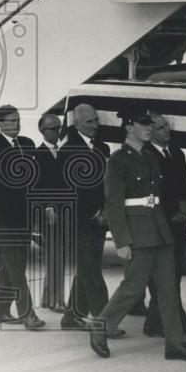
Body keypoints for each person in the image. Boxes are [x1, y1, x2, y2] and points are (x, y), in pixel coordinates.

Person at [88, 107, 186, 361]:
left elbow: (157, 196)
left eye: (151, 124)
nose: (149, 128)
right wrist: (122, 241)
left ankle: (175, 344)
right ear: (129, 127)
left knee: (169, 289)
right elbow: (114, 204)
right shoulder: (118, 160)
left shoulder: (150, 157)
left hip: (160, 231)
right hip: (137, 232)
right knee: (132, 287)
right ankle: (100, 328)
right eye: (144, 124)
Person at [0, 104, 45, 329]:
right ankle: (27, 314)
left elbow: (34, 180)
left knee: (11, 264)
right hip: (1, 216)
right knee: (16, 267)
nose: (17, 124)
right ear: (0, 123)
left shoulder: (27, 144)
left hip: (23, 215)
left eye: (18, 120)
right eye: (11, 121)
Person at [143, 113, 186, 346]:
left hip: (178, 224)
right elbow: (152, 194)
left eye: (167, 126)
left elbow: (185, 184)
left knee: (172, 277)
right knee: (166, 278)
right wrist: (172, 212)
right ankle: (180, 327)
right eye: (160, 128)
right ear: (150, 132)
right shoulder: (146, 156)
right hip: (161, 224)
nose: (166, 131)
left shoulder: (175, 152)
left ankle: (153, 322)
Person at [59, 103, 114, 332]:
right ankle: (105, 322)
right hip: (78, 221)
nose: (94, 125)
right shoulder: (67, 150)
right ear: (76, 123)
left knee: (87, 268)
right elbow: (69, 190)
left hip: (100, 220)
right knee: (91, 271)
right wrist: (94, 212)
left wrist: (106, 211)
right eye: (89, 122)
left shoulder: (103, 148)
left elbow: (106, 184)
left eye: (96, 120)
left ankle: (71, 317)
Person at [32, 113, 70, 313]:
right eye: (52, 129)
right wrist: (47, 208)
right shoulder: (38, 155)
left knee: (57, 256)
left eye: (59, 127)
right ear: (42, 131)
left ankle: (48, 298)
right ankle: (56, 301)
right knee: (56, 256)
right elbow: (37, 186)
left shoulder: (63, 152)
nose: (57, 132)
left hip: (64, 212)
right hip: (49, 214)